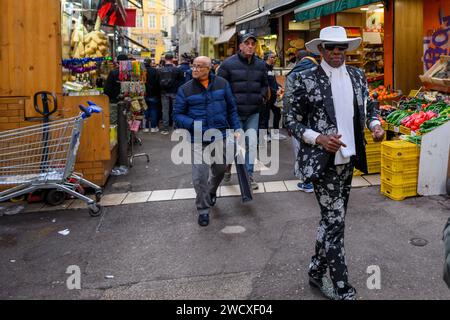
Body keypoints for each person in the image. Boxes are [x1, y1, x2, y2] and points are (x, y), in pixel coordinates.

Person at [284, 26, 385, 300]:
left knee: (331, 220)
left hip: (349, 160)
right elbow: (290, 121)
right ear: (321, 50)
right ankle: (341, 286)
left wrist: (375, 126)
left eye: (342, 48)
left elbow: (368, 107)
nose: (337, 52)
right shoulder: (305, 79)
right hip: (322, 161)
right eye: (331, 47)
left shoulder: (357, 75)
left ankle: (316, 271)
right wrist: (318, 139)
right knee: (335, 222)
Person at [173, 56, 241, 227]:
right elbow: (177, 115)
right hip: (198, 139)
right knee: (199, 177)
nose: (194, 69)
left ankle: (212, 190)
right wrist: (195, 126)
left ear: (209, 68)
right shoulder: (185, 89)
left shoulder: (222, 84)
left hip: (221, 135)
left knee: (220, 169)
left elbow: (231, 108)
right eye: (193, 66)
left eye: (199, 66)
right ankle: (203, 209)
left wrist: (237, 128)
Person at [217, 33, 269, 190]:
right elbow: (220, 87)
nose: (250, 46)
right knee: (233, 146)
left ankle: (249, 176)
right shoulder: (227, 64)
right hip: (234, 114)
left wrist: (260, 97)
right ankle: (226, 167)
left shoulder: (260, 65)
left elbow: (264, 85)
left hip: (253, 111)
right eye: (247, 43)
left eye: (253, 43)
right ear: (240, 46)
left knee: (251, 144)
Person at [284, 50, 319, 193]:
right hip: (318, 115)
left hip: (299, 117)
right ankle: (317, 178)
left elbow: (288, 96)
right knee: (317, 146)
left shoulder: (294, 73)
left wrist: (287, 118)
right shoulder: (320, 69)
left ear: (299, 59)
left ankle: (307, 182)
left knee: (300, 147)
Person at [260, 51, 285, 142]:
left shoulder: (271, 68)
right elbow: (265, 84)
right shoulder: (263, 68)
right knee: (265, 116)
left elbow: (273, 81)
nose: (274, 59)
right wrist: (275, 91)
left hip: (274, 96)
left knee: (277, 114)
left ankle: (275, 133)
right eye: (272, 57)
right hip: (267, 97)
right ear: (267, 58)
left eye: (275, 57)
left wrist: (280, 86)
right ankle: (265, 134)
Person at [158, 53, 185, 135]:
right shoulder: (177, 70)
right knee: (175, 109)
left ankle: (165, 128)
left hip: (163, 92)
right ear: (172, 59)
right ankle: (175, 127)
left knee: (165, 110)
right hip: (175, 91)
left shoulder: (160, 70)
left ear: (165, 59)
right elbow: (182, 81)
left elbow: (157, 82)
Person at [104, 54, 129, 125]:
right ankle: (127, 136)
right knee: (126, 122)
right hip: (128, 102)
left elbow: (107, 89)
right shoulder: (131, 72)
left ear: (117, 62)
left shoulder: (113, 73)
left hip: (114, 102)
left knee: (114, 123)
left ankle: (115, 136)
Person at [143, 58, 161, 133]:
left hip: (143, 93)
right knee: (153, 110)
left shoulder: (141, 71)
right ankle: (153, 127)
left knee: (145, 110)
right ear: (150, 63)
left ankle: (146, 127)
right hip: (154, 93)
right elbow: (158, 83)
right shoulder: (155, 71)